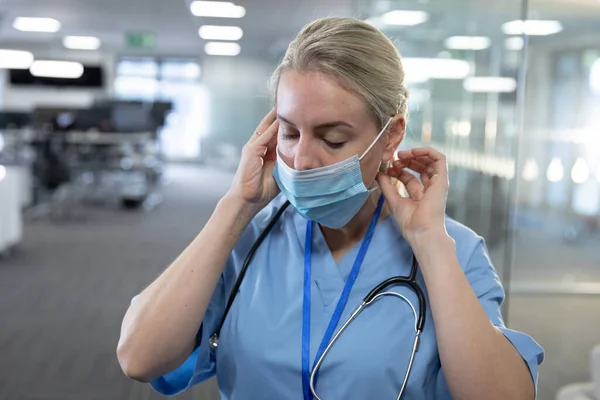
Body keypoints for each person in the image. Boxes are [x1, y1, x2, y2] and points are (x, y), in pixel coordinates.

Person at [117, 17, 544, 399]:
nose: (302, 159)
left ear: (391, 135)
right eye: (288, 133)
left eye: (332, 139)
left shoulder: (454, 252)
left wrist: (430, 244)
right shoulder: (247, 238)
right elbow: (139, 358)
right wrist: (235, 208)